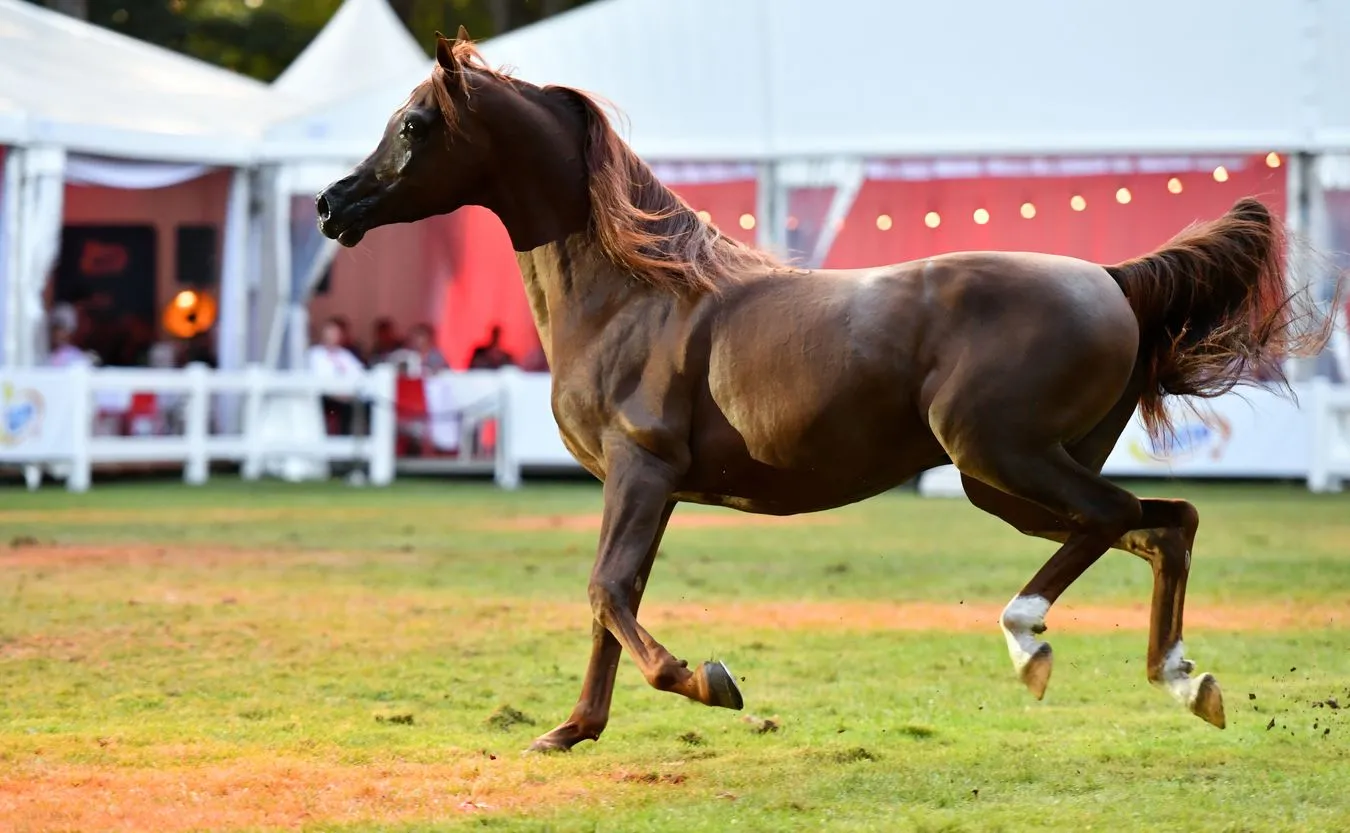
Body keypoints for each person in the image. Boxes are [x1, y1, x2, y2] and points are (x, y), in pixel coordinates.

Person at [306, 317, 366, 434]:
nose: (331, 337)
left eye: (334, 334)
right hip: (325, 396)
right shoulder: (314, 354)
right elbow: (318, 378)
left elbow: (359, 374)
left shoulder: (345, 355)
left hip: (347, 395)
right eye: (329, 333)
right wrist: (337, 393)